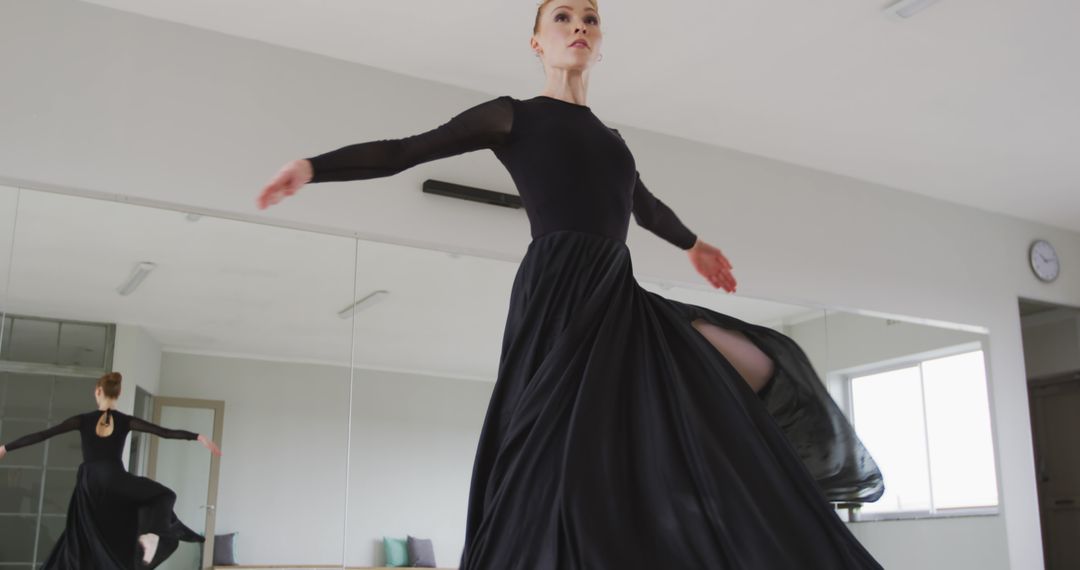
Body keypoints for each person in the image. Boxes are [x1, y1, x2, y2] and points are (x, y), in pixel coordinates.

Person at [257, 1, 885, 567]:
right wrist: (314, 167)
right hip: (558, 291)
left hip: (618, 290)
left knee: (761, 358)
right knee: (554, 454)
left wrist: (695, 245)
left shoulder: (613, 142)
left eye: (589, 17)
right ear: (537, 42)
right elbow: (405, 150)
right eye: (562, 17)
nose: (578, 25)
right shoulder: (513, 116)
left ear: (599, 42)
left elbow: (642, 205)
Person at [0, 372, 221, 568]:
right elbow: (165, 432)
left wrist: (5, 448)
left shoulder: (82, 420)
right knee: (164, 495)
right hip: (115, 478)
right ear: (119, 392)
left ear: (97, 391)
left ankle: (144, 538)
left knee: (87, 534)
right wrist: (198, 437)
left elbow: (42, 435)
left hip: (90, 484)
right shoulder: (126, 421)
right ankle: (149, 535)